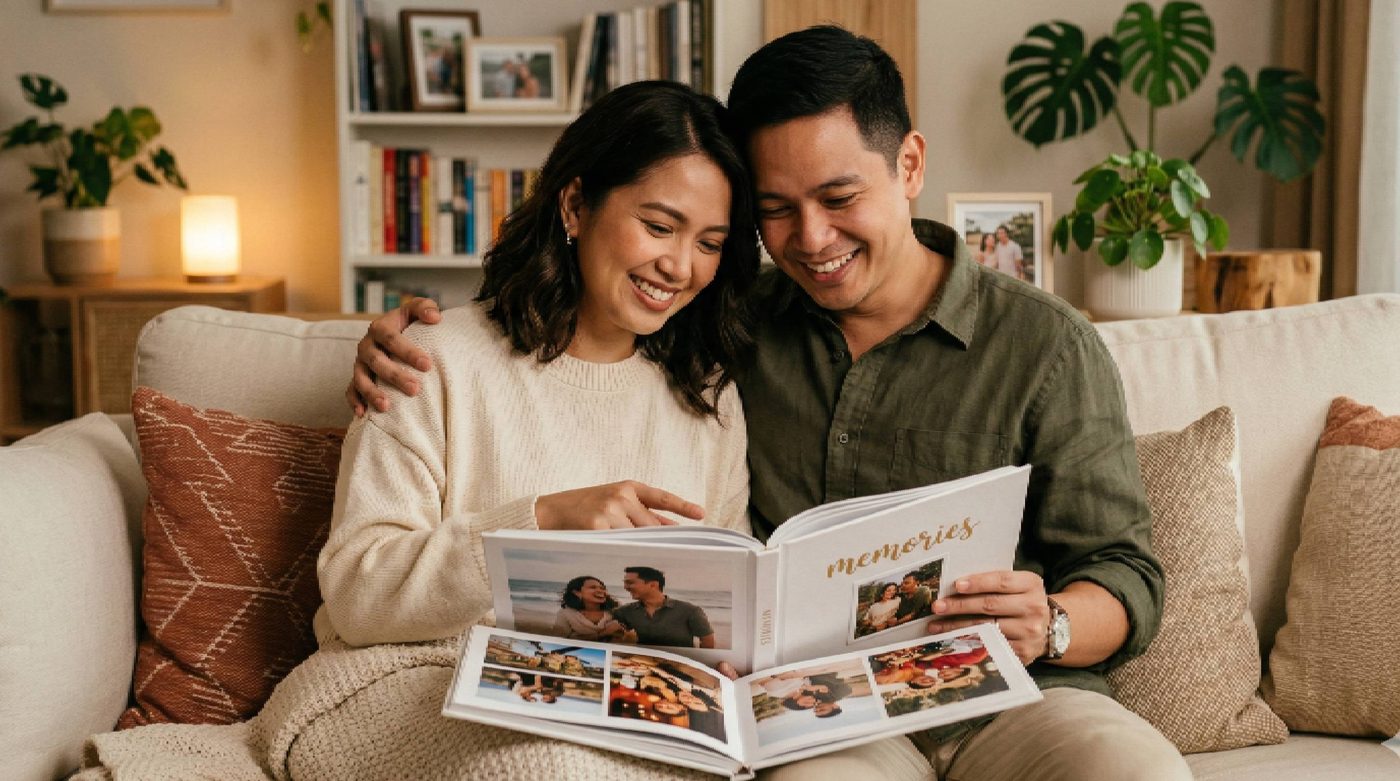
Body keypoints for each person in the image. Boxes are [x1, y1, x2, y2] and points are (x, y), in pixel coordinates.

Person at [348, 25, 1189, 781]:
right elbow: (576, 337)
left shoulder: (1045, 345)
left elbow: (1126, 570)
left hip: (1019, 696)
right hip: (829, 718)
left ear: (909, 166)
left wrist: (1053, 622)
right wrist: (389, 337)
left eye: (839, 197)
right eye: (777, 211)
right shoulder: (722, 330)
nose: (812, 240)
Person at [283, 79, 758, 781]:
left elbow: (729, 603)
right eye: (658, 226)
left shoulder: (708, 396)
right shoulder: (433, 359)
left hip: (619, 704)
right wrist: (541, 520)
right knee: (556, 769)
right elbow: (357, 592)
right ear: (574, 204)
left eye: (710, 242)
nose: (680, 266)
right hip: (410, 680)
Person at [612, 566, 716, 648]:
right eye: (625, 583)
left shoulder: (690, 611)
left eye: (630, 583)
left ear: (653, 585)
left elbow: (707, 641)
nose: (625, 587)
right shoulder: (623, 612)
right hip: (638, 666)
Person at [553, 575, 629, 641]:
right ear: (577, 593)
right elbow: (559, 640)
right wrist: (603, 633)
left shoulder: (615, 611)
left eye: (602, 588)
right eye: (593, 587)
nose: (600, 591)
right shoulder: (566, 614)